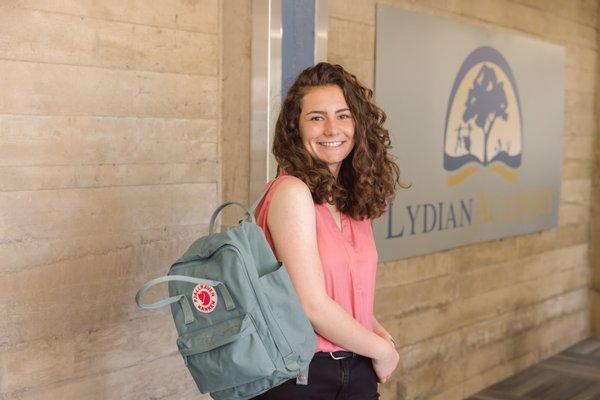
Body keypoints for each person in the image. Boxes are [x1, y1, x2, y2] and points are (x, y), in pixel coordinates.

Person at [252, 62, 404, 399]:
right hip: (301, 376)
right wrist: (383, 352)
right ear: (296, 127)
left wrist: (379, 335)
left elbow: (348, 296)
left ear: (359, 125)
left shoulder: (352, 199)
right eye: (316, 117)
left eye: (343, 115)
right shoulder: (291, 192)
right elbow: (312, 305)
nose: (332, 129)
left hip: (355, 369)